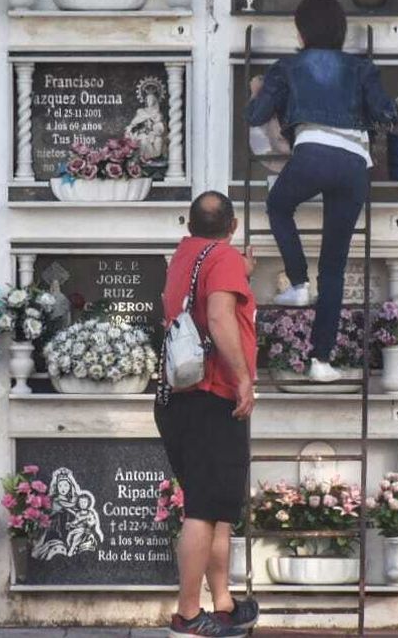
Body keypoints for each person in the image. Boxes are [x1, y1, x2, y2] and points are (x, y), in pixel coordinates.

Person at [245, 0, 398, 383]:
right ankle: (321, 361)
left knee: (277, 206)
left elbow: (256, 117)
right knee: (335, 266)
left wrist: (258, 90)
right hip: (354, 163)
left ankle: (298, 283)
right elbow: (383, 114)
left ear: (301, 31)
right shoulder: (362, 67)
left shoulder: (287, 67)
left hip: (313, 155)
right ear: (340, 31)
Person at [155, 192, 258, 637]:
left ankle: (222, 603)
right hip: (212, 395)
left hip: (177, 401)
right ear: (232, 226)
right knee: (202, 507)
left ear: (191, 223)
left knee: (216, 504)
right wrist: (243, 379)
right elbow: (219, 319)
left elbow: (199, 298)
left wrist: (241, 274)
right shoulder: (224, 257)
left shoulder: (184, 255)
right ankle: (187, 615)